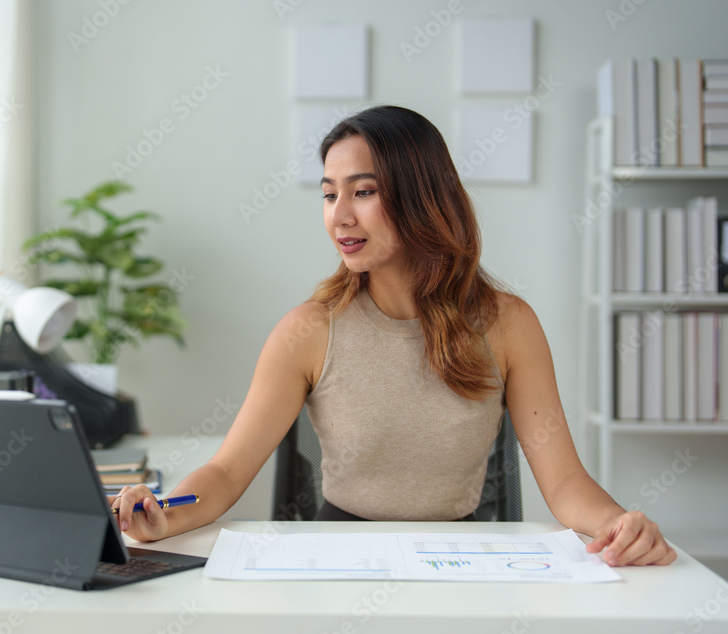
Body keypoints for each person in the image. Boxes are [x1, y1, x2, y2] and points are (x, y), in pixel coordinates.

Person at [111, 105, 676, 567]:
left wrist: (619, 526)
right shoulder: (307, 330)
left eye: (362, 192)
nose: (339, 217)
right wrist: (166, 511)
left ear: (423, 197)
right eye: (330, 194)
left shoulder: (508, 323)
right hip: (338, 561)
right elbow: (228, 471)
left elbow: (565, 483)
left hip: (463, 562)